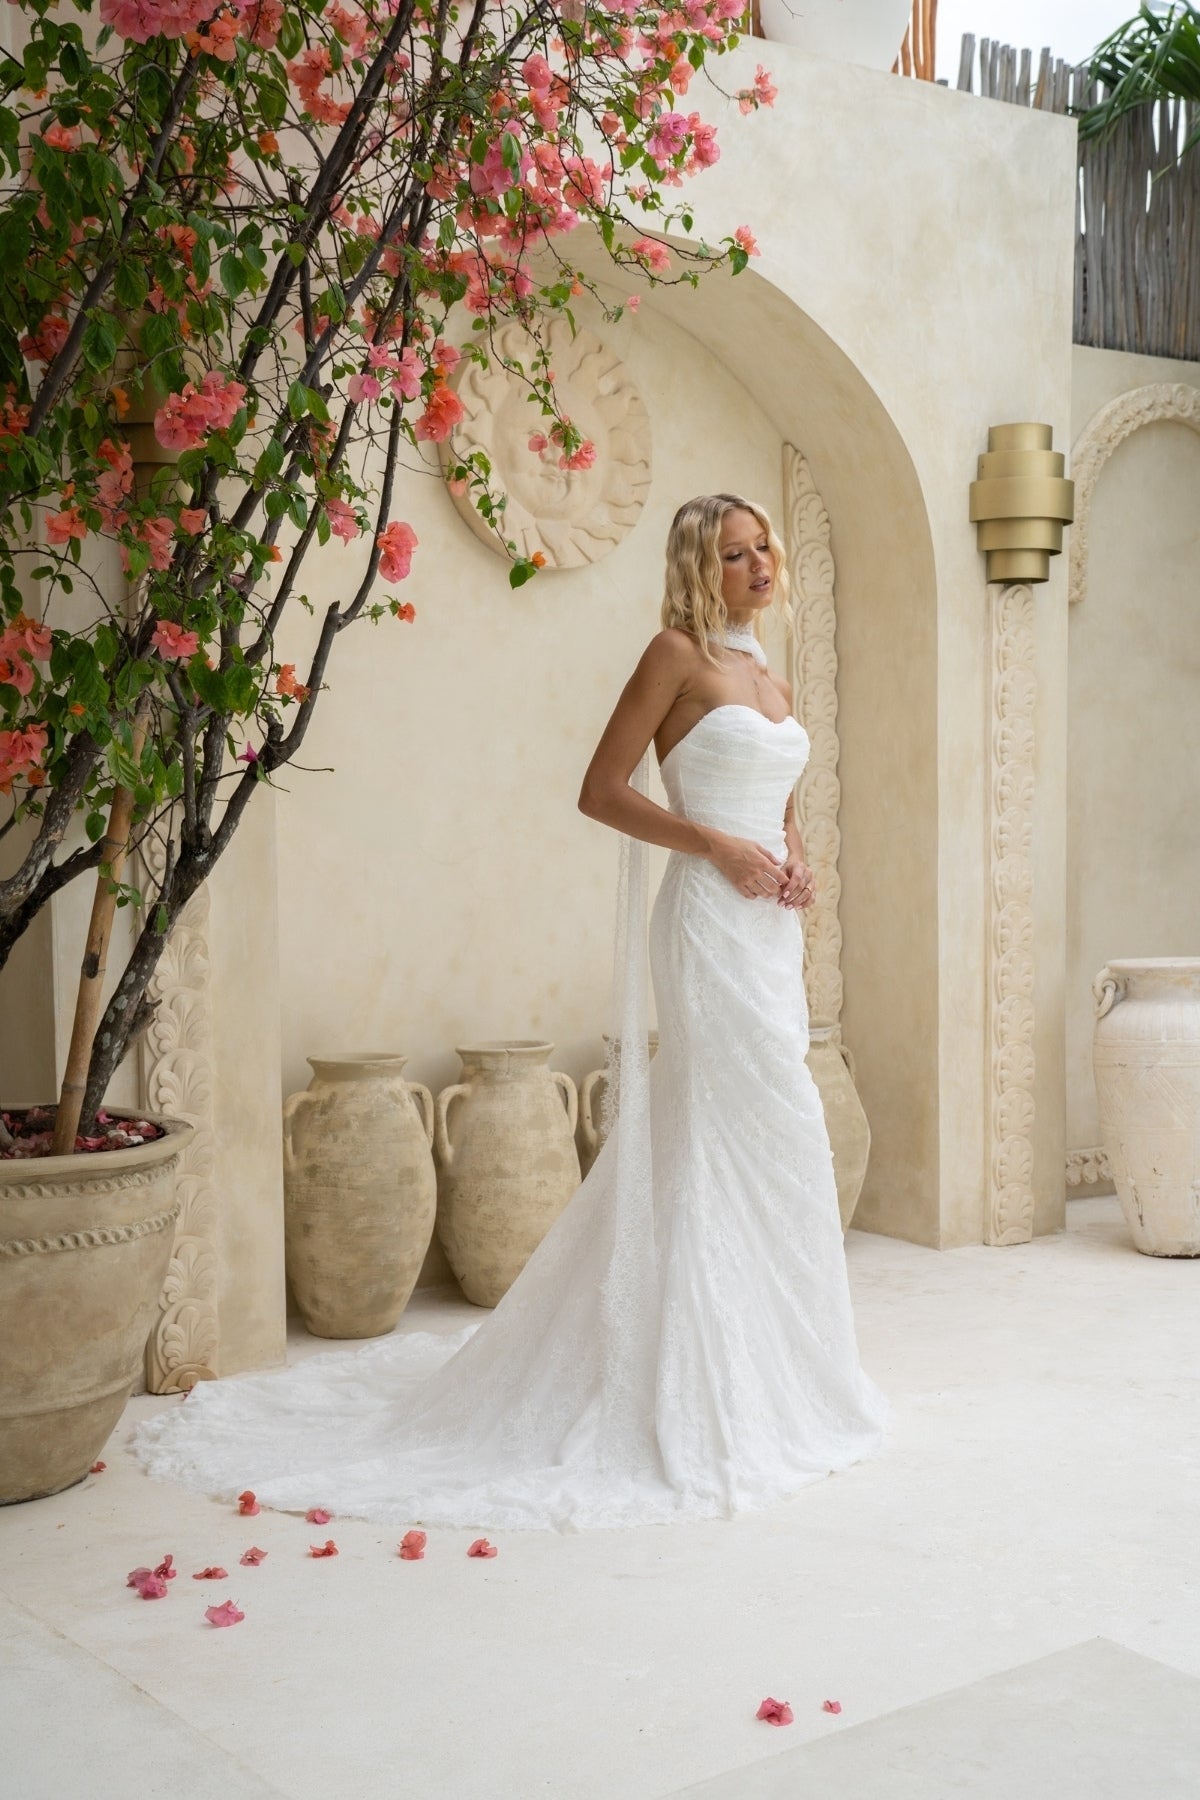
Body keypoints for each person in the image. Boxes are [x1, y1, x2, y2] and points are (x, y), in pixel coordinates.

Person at [134, 493, 888, 1531]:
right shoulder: (675, 656)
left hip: (769, 935)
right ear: (698, 568)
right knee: (722, 1130)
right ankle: (697, 1385)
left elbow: (785, 811)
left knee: (779, 1135)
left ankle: (785, 1374)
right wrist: (716, 847)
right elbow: (602, 790)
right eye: (735, 553)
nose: (759, 564)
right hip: (709, 928)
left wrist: (794, 862)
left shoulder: (773, 677)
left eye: (763, 547)